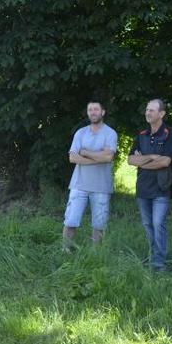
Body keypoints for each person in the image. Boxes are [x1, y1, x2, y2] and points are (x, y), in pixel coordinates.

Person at [128, 99, 172, 272]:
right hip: (143, 188)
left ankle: (159, 263)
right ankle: (153, 256)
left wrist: (143, 160)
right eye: (147, 110)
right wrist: (153, 157)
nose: (147, 113)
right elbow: (130, 159)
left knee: (158, 223)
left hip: (161, 188)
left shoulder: (170, 134)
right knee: (148, 225)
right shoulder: (141, 135)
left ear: (161, 114)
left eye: (151, 110)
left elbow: (165, 161)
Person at [62, 100, 118, 252]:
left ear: (103, 112)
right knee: (71, 220)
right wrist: (97, 157)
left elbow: (107, 158)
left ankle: (96, 255)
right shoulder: (81, 133)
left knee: (99, 225)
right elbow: (72, 158)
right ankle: (65, 251)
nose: (93, 112)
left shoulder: (110, 133)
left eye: (96, 109)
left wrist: (85, 153)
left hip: (101, 187)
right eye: (90, 110)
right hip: (78, 185)